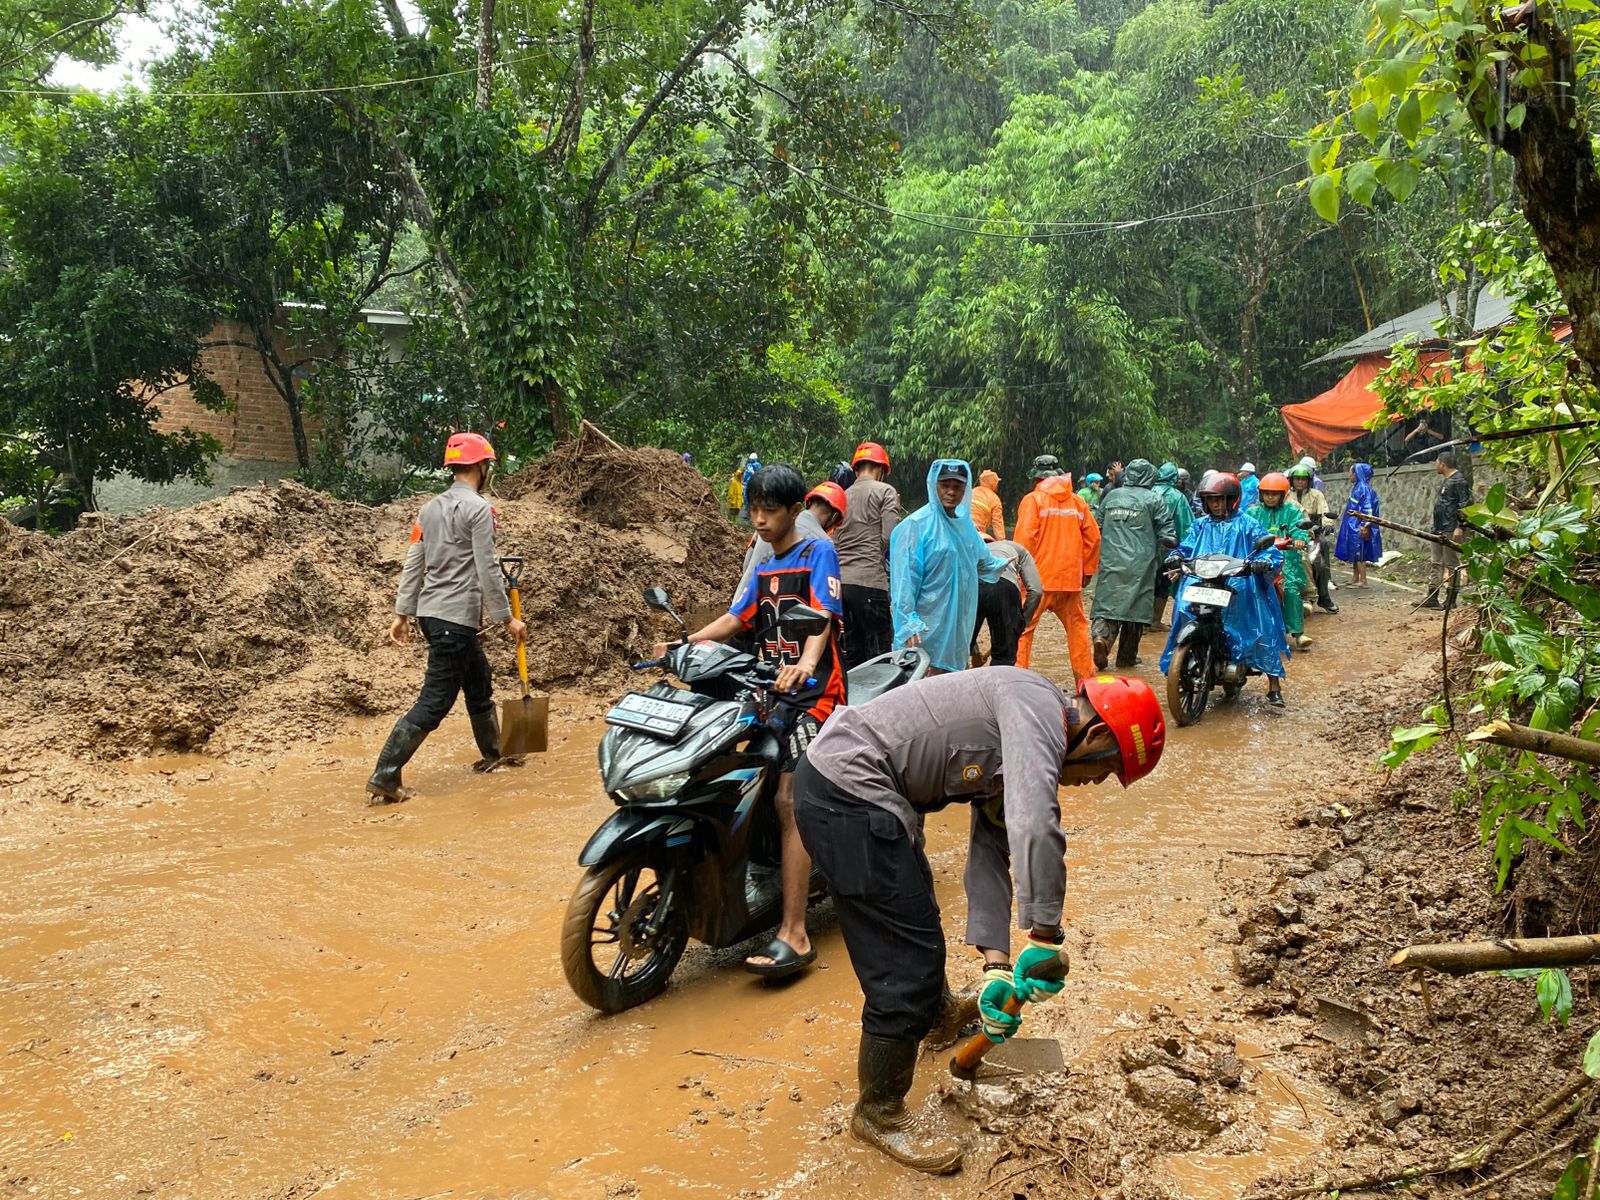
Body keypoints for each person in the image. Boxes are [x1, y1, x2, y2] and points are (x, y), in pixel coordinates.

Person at [793, 670, 1166, 1172]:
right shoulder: (1037, 714)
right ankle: (877, 1112)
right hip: (846, 792)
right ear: (1097, 734)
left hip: (867, 790)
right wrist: (1044, 935)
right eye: (1104, 770)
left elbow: (991, 847)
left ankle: (938, 1015)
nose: (1093, 782)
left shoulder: (1026, 724)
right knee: (903, 964)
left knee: (917, 912)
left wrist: (997, 965)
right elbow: (1036, 821)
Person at [653, 464, 845, 978]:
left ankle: (796, 932)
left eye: (769, 510)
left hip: (814, 694)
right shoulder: (763, 561)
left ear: (793, 511)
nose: (758, 519)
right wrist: (685, 643)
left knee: (789, 797)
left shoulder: (816, 551)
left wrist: (806, 662)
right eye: (753, 510)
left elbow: (822, 616)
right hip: (766, 689)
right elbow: (738, 617)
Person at [368, 433, 528, 803]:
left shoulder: (428, 510)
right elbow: (488, 568)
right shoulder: (479, 510)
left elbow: (414, 563)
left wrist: (402, 613)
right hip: (455, 619)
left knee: (478, 679)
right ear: (481, 466)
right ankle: (385, 776)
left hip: (432, 614)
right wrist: (507, 619)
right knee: (435, 701)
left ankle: (494, 754)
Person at [1160, 472, 1288, 706]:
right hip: (1202, 581)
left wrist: (1263, 562)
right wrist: (1176, 555)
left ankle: (1274, 684)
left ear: (1232, 500)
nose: (1215, 505)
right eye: (1211, 500)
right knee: (1183, 609)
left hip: (1238, 581)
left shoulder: (1247, 523)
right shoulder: (1200, 525)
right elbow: (1187, 546)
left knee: (1261, 622)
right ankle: (1184, 663)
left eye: (1219, 499)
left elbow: (1269, 550)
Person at [889, 460, 1006, 674]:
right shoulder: (915, 526)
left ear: (966, 488)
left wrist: (1010, 558)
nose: (951, 492)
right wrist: (907, 621)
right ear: (934, 485)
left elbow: (984, 561)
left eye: (958, 486)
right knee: (921, 689)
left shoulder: (965, 526)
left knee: (950, 693)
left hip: (956, 631)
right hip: (925, 630)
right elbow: (904, 581)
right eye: (945, 485)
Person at [1014, 457, 1100, 682]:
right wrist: (1087, 571)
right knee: (1078, 631)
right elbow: (1093, 538)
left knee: (1022, 629)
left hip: (1038, 580)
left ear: (1036, 478)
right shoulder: (1077, 502)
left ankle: (1017, 682)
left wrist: (1018, 572)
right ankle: (1087, 684)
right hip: (1070, 580)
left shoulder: (1032, 500)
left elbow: (1024, 540)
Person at [1090, 459, 1176, 669]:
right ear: (1149, 477)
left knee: (1107, 605)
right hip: (1141, 564)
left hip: (1111, 561)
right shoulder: (1154, 500)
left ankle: (1101, 638)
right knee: (1135, 612)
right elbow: (1168, 533)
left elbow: (1096, 527)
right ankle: (1126, 658)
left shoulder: (1111, 496)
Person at [834, 440, 901, 669]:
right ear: (881, 469)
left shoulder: (842, 496)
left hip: (842, 585)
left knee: (853, 652)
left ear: (856, 468)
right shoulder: (886, 491)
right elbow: (889, 537)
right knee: (879, 654)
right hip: (871, 582)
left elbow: (835, 538)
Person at [733, 480, 847, 602]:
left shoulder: (771, 522)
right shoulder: (823, 543)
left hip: (741, 604)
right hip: (777, 612)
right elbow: (822, 597)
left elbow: (746, 564)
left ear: (810, 502)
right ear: (834, 517)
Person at [1247, 472, 1313, 651]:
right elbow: (1244, 531)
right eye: (1267, 493)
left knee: (1291, 589)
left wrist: (1299, 539)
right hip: (1258, 559)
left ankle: (1298, 634)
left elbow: (1300, 531)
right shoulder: (1252, 512)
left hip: (1286, 559)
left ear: (1282, 495)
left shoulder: (1292, 511)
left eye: (1274, 494)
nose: (1270, 497)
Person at [970, 535, 1043, 668]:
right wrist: (1022, 621)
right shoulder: (1020, 550)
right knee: (1004, 659)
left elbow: (964, 629)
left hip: (975, 586)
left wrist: (974, 653)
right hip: (1005, 588)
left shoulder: (974, 550)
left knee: (961, 649)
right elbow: (1036, 591)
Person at [1425, 449, 1474, 609]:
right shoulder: (1448, 480)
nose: (1435, 465)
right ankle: (1432, 596)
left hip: (1450, 528)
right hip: (1439, 527)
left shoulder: (1459, 482)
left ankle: (1451, 599)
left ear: (1443, 464)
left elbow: (1465, 506)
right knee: (1436, 562)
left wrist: (1460, 527)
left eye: (1437, 462)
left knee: (1451, 563)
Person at [1150, 462, 1194, 631]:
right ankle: (1155, 621)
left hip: (1143, 549)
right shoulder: (1177, 497)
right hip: (1167, 548)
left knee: (1146, 585)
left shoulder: (1148, 493)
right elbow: (1186, 524)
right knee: (1163, 584)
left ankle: (1142, 622)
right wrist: (1186, 549)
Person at [1287, 464, 1337, 612]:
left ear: (1309, 480)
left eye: (1303, 479)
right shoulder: (1286, 496)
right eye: (1297, 479)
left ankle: (1323, 596)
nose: (1300, 482)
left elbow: (1325, 512)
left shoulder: (1317, 495)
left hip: (1312, 533)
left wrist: (1327, 524)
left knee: (1320, 559)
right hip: (1288, 534)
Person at [1335, 462, 1383, 586]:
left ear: (1357, 474)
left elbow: (1368, 509)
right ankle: (1355, 578)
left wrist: (1365, 525)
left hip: (1359, 526)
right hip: (1353, 525)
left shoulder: (1363, 488)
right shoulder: (1358, 487)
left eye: (1351, 472)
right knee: (1355, 552)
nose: (1349, 475)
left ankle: (1363, 580)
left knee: (1360, 552)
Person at [970, 469, 1006, 541]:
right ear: (994, 483)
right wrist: (1002, 541)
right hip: (978, 532)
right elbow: (998, 524)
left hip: (962, 527)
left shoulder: (972, 491)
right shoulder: (995, 499)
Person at [739, 452, 762, 523]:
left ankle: (753, 515)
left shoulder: (757, 465)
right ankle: (748, 515)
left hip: (753, 484)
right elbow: (746, 474)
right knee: (747, 499)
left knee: (752, 499)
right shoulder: (750, 465)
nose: (751, 460)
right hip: (748, 484)